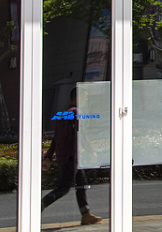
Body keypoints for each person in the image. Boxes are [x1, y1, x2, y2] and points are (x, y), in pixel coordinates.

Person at [41, 88, 102, 226]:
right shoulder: (75, 113)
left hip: (66, 157)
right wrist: (91, 150)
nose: (86, 100)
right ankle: (40, 205)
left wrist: (48, 157)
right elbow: (80, 134)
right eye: (85, 97)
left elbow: (55, 139)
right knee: (63, 188)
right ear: (77, 97)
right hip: (72, 157)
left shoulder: (62, 115)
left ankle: (86, 214)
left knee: (81, 184)